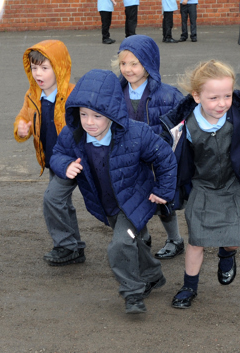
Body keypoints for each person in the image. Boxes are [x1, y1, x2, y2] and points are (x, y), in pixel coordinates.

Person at [159, 60, 240, 309]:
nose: (222, 103)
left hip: (233, 183)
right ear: (196, 96)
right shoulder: (182, 121)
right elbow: (162, 148)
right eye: (214, 97)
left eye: (227, 95)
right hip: (202, 185)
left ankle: (227, 254)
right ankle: (189, 286)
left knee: (234, 237)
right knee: (196, 239)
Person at [50, 69, 177, 314]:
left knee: (119, 244)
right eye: (83, 114)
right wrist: (65, 165)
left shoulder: (136, 133)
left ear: (113, 113)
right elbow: (58, 154)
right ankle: (152, 274)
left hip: (135, 200)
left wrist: (163, 189)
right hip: (106, 203)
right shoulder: (73, 134)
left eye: (97, 115)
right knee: (133, 241)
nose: (89, 122)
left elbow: (165, 157)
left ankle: (132, 293)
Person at [112, 35, 185, 259]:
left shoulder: (169, 95)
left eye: (134, 63)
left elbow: (179, 128)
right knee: (133, 201)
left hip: (156, 161)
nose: (128, 69)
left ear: (149, 63)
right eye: (123, 63)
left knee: (163, 202)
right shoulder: (115, 92)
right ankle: (142, 237)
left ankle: (175, 239)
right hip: (129, 160)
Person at [13, 40, 83, 266]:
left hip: (72, 160)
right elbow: (23, 118)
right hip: (53, 160)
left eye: (45, 68)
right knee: (62, 202)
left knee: (52, 199)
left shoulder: (73, 95)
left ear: (59, 68)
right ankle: (75, 246)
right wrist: (22, 129)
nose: (38, 74)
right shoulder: (33, 95)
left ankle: (66, 245)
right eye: (34, 68)